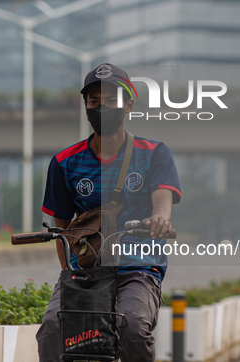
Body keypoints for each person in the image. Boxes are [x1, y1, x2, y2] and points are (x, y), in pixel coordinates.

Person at [37, 63, 181, 362]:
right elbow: (62, 230)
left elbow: (162, 202)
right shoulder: (65, 162)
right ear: (86, 106)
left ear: (128, 105)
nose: (101, 106)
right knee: (52, 326)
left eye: (111, 100)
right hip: (85, 273)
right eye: (93, 100)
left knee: (132, 326)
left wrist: (159, 220)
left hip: (137, 268)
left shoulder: (154, 153)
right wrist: (70, 274)